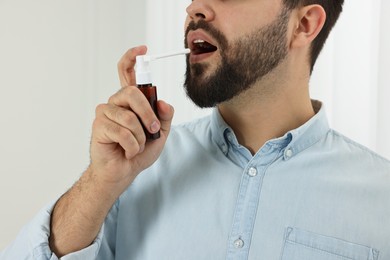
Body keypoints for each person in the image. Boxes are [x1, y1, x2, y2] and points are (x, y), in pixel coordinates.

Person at [1, 0, 390, 259]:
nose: (194, 7)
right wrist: (100, 183)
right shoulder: (134, 172)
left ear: (304, 24)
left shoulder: (380, 201)